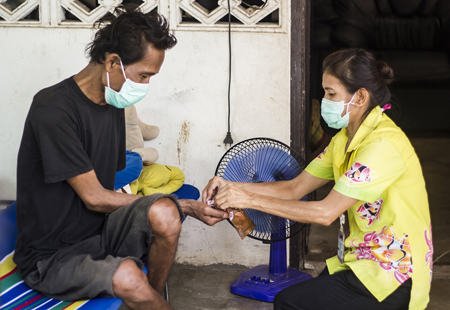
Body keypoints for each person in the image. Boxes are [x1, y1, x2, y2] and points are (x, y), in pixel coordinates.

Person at [14, 5, 228, 310]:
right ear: (113, 62)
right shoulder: (53, 109)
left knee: (165, 216)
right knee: (130, 273)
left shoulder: (113, 104)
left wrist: (165, 209)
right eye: (143, 75)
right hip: (52, 256)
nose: (145, 85)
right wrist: (184, 205)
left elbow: (113, 186)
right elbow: (95, 198)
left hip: (100, 234)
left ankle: (148, 301)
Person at [203, 48, 433, 310]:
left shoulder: (382, 146)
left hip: (393, 274)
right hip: (360, 261)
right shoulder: (343, 140)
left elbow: (326, 212)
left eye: (331, 93)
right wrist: (232, 186)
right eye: (324, 91)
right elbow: (294, 187)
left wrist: (247, 198)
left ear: (359, 96)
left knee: (289, 302)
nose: (324, 100)